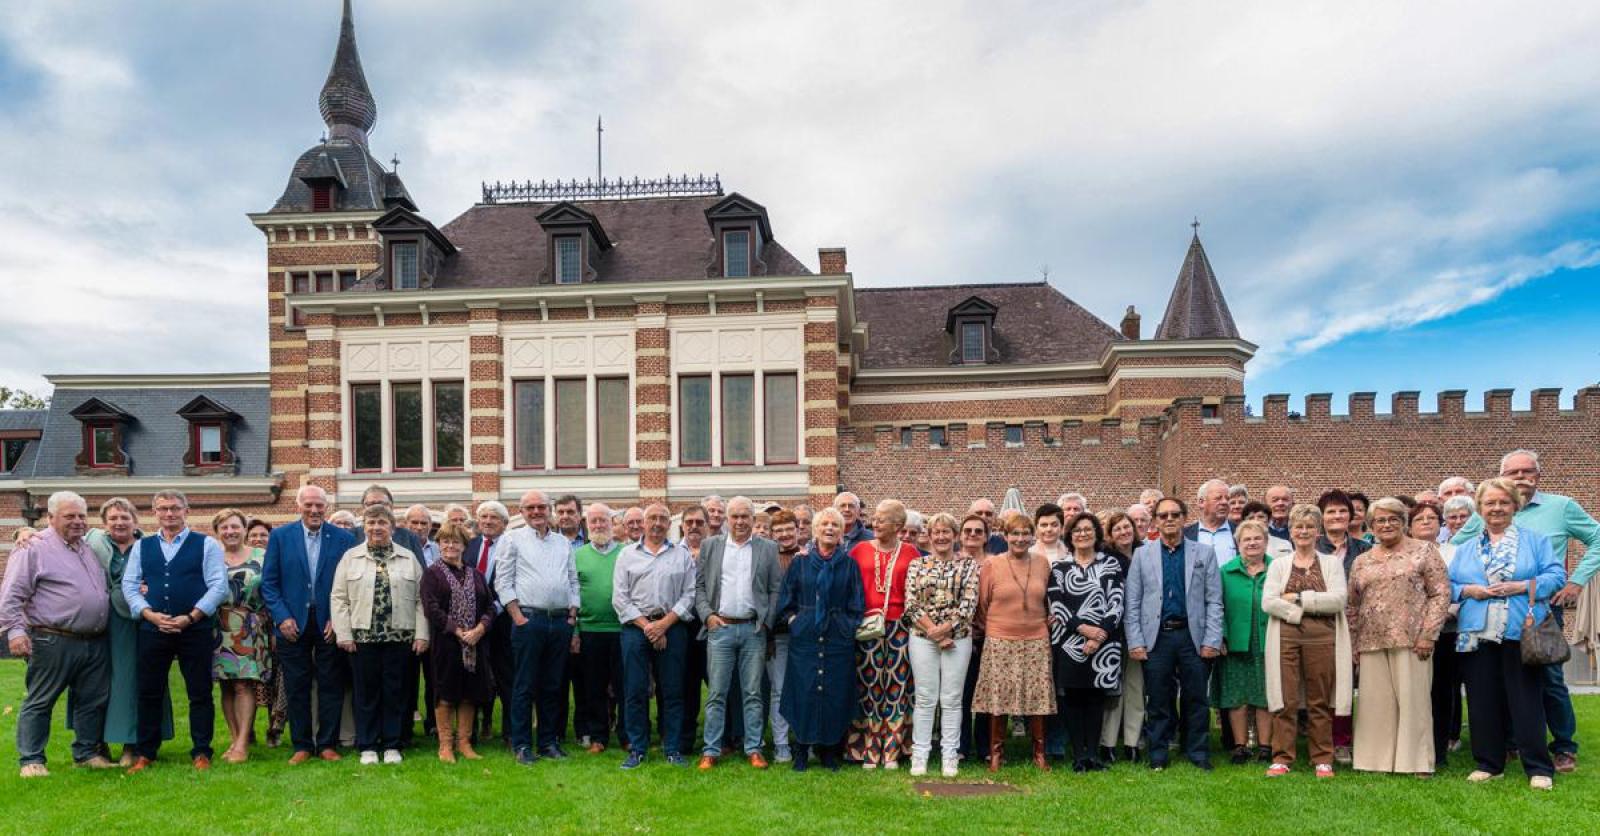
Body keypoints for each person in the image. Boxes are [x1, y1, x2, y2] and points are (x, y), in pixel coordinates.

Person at [1457, 450, 1599, 774]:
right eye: (1513, 472)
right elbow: (1450, 557)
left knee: (1544, 683)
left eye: (1527, 471)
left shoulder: (1560, 509)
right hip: (1481, 624)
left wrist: (1575, 582)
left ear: (1538, 475)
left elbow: (1593, 542)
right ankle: (1501, 751)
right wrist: (1465, 589)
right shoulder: (1475, 531)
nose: (1520, 477)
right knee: (1488, 690)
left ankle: (1561, 748)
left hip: (1535, 614)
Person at [1450, 477, 1565, 790]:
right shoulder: (1465, 547)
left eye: (1503, 502)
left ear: (1516, 505)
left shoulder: (1535, 541)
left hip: (1521, 632)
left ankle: (1538, 767)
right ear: (1480, 509)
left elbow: (1556, 575)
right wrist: (1468, 590)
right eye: (1490, 503)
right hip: (1477, 632)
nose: (1496, 508)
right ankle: (1489, 764)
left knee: (1527, 700)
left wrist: (1523, 586)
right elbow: (1447, 585)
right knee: (1482, 700)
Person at [2, 491, 114, 777]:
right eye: (69, 516)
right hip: (52, 639)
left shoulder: (87, 547)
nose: (77, 521)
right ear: (50, 518)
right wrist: (15, 632)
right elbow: (12, 594)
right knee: (41, 700)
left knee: (92, 700)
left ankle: (87, 753)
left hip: (94, 641)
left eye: (81, 515)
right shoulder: (32, 547)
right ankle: (31, 760)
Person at [121, 490, 227, 773]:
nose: (169, 514)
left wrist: (191, 617)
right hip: (153, 629)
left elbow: (219, 586)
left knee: (200, 692)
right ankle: (146, 752)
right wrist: (148, 614)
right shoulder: (142, 547)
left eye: (175, 508)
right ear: (154, 512)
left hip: (195, 628)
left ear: (186, 511)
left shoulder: (207, 545)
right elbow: (129, 586)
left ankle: (202, 751)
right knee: (149, 691)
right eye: (163, 509)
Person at [1347, 497, 1449, 777]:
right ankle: (1374, 761)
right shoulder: (1361, 560)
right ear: (1371, 526)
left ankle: (1417, 762)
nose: (1386, 524)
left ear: (1403, 522)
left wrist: (1429, 633)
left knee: (1413, 702)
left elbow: (1440, 593)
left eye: (1393, 518)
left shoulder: (1424, 551)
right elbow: (1352, 605)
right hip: (1371, 640)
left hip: (1413, 639)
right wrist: (1354, 644)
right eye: (1380, 520)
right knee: (1374, 706)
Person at [1125, 496, 1223, 772]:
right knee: (1158, 699)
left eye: (1175, 515)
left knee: (1196, 698)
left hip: (1193, 636)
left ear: (1184, 518)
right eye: (1163, 515)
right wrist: (1136, 641)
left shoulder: (1203, 554)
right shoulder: (1142, 555)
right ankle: (1158, 753)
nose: (1169, 520)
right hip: (1156, 637)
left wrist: (1212, 640)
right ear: (1156, 521)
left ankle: (1198, 752)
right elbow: (1132, 602)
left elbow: (1214, 600)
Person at [261, 484, 357, 764]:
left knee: (331, 684)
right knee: (296, 685)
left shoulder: (343, 538)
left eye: (320, 505)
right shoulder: (280, 537)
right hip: (292, 623)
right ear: (298, 506)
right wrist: (282, 617)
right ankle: (302, 745)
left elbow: (351, 584)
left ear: (326, 507)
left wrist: (338, 619)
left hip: (329, 622)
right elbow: (269, 583)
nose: (315, 510)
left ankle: (327, 743)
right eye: (309, 505)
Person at [331, 504, 430, 765]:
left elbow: (422, 600)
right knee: (366, 693)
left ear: (392, 527)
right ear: (364, 527)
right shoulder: (350, 557)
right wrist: (344, 634)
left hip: (400, 638)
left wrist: (422, 634)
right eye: (371, 523)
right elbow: (339, 598)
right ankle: (368, 746)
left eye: (382, 523)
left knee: (395, 693)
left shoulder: (408, 557)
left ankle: (392, 745)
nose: (376, 528)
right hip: (362, 638)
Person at [1262, 503, 1352, 777]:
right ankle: (1282, 756)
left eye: (1309, 527)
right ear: (1290, 532)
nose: (1303, 532)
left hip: (1323, 638)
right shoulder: (1278, 564)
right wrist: (1300, 613)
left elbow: (1338, 600)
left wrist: (1299, 598)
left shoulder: (1331, 563)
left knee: (1319, 699)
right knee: (1285, 697)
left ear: (1318, 532)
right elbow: (1268, 602)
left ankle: (1322, 757)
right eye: (1298, 527)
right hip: (1285, 636)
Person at [83, 498, 172, 765]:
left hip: (138, 621)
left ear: (135, 520)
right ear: (104, 523)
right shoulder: (92, 543)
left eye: (125, 517)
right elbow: (58, 535)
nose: (119, 522)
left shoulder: (150, 546)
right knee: (99, 683)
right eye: (113, 518)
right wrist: (25, 534)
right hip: (100, 623)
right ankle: (95, 744)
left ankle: (133, 744)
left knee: (134, 680)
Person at [694, 496, 781, 769]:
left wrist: (766, 622)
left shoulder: (768, 548)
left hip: (753, 629)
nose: (740, 521)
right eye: (735, 516)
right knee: (717, 693)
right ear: (727, 519)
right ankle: (711, 749)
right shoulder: (710, 546)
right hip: (720, 629)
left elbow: (775, 588)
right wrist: (708, 616)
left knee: (753, 692)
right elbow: (699, 587)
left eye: (745, 516)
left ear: (754, 520)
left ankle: (753, 748)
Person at [779, 507, 865, 772]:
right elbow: (786, 599)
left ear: (842, 532)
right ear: (816, 530)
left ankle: (828, 750)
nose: (830, 529)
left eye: (835, 525)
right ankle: (802, 749)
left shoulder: (848, 564)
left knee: (834, 691)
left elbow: (857, 603)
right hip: (806, 636)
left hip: (837, 637)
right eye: (825, 524)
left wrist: (846, 627)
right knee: (803, 690)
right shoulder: (801, 562)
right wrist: (795, 622)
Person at [498, 489, 579, 765]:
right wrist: (517, 616)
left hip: (560, 621)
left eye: (541, 507)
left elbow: (572, 580)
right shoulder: (512, 540)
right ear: (521, 512)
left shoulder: (562, 543)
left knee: (553, 685)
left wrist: (572, 613)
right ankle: (521, 745)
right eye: (530, 507)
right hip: (529, 621)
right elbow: (503, 581)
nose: (536, 512)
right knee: (524, 685)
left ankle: (548, 742)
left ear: (549, 510)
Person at [614, 504, 697, 770]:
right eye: (653, 518)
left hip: (672, 626)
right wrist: (648, 627)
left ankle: (672, 748)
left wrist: (663, 624)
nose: (658, 523)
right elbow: (620, 597)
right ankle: (638, 748)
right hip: (635, 629)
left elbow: (690, 594)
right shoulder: (627, 554)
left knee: (673, 690)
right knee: (635, 690)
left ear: (669, 524)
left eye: (663, 518)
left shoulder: (681, 555)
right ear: (643, 523)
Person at [972, 511, 1056, 771]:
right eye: (1014, 534)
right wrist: (998, 627)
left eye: (1025, 534)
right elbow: (982, 604)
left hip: (1036, 639)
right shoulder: (992, 565)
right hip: (1000, 639)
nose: (1020, 538)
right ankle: (996, 752)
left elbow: (1047, 600)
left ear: (1032, 537)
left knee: (1037, 696)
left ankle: (1039, 752)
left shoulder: (1043, 563)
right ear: (1005, 536)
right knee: (999, 697)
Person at [903, 512, 980, 777]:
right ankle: (920, 754)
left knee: (952, 698)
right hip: (922, 638)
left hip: (957, 639)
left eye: (946, 532)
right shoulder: (917, 565)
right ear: (930, 535)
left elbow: (969, 604)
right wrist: (934, 631)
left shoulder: (968, 566)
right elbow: (911, 604)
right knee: (925, 698)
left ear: (955, 536)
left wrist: (947, 630)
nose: (941, 536)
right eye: (936, 532)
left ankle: (950, 755)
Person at [844, 498, 920, 769]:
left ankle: (893, 750)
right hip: (866, 627)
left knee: (898, 688)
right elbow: (844, 578)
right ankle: (867, 748)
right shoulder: (860, 550)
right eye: (874, 518)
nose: (875, 523)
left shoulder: (911, 553)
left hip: (900, 626)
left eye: (882, 519)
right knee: (869, 687)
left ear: (898, 525)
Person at [1047, 512, 1124, 772]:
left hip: (1105, 644)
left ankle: (1093, 755)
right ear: (1069, 536)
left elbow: (1116, 601)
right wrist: (1084, 631)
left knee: (1095, 698)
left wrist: (1099, 635)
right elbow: (1057, 603)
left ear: (1096, 533)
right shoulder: (1059, 567)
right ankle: (1079, 755)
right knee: (1073, 698)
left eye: (1088, 529)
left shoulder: (1110, 564)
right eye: (1077, 530)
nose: (1082, 534)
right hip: (1068, 641)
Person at [419, 520, 493, 763]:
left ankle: (464, 743)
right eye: (445, 541)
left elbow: (490, 607)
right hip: (447, 644)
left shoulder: (476, 574)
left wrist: (480, 629)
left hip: (475, 643)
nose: (450, 545)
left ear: (464, 546)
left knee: (469, 694)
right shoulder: (432, 574)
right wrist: (458, 631)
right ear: (439, 544)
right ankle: (445, 745)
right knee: (446, 693)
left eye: (456, 541)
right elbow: (431, 608)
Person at [212, 508, 270, 763]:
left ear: (244, 529)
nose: (230, 532)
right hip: (217, 626)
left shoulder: (262, 556)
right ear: (217, 532)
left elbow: (272, 588)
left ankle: (243, 743)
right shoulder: (211, 556)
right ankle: (235, 739)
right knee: (225, 685)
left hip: (249, 626)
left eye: (235, 526)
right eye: (224, 528)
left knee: (244, 684)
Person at [1214, 520, 1273, 764]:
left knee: (1265, 695)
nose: (1252, 543)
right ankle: (1239, 746)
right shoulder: (1226, 571)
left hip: (1268, 639)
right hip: (1236, 641)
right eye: (1246, 539)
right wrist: (1222, 635)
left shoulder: (1277, 568)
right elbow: (1217, 606)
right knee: (1236, 695)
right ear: (1238, 544)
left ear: (1266, 542)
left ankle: (1265, 746)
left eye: (1257, 538)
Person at [1317, 489, 1370, 764]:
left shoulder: (1365, 550)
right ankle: (1319, 740)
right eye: (1330, 511)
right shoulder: (1311, 548)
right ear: (1321, 517)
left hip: (1353, 625)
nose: (1337, 516)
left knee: (1345, 686)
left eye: (1342, 511)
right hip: (1318, 624)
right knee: (1319, 684)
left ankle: (1343, 742)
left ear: (1351, 516)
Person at [1410, 500, 1463, 766]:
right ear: (1410, 525)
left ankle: (1439, 748)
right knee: (1414, 692)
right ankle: (1412, 746)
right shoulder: (1404, 552)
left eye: (1432, 518)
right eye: (1419, 519)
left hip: (1446, 630)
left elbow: (1463, 583)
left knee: (1440, 690)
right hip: (1409, 632)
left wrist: (1448, 610)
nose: (1426, 522)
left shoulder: (1455, 552)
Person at [572, 503, 625, 754]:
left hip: (624, 630)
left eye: (603, 520)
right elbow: (572, 594)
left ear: (612, 523)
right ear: (587, 525)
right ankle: (598, 737)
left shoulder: (626, 552)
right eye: (593, 521)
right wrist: (575, 632)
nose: (598, 525)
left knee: (626, 686)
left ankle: (628, 735)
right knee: (593, 688)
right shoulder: (578, 555)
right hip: (590, 631)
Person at [1095, 508, 1144, 763]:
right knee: (1113, 688)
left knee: (1136, 687)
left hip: (1140, 631)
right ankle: (1108, 743)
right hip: (1113, 631)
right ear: (1110, 535)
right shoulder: (1106, 559)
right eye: (1117, 529)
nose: (1124, 532)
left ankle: (1133, 742)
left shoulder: (1146, 553)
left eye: (1127, 527)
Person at [467, 501, 515, 744]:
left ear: (504, 523)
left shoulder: (513, 545)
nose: (487, 521)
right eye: (483, 516)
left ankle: (510, 733)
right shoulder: (471, 545)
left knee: (507, 678)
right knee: (472, 676)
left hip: (504, 621)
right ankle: (470, 733)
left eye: (493, 517)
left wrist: (494, 610)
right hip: (471, 624)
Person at [956, 513, 995, 761]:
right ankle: (961, 746)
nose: (972, 535)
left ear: (986, 536)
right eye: (967, 530)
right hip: (960, 635)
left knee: (986, 695)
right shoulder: (952, 562)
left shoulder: (995, 564)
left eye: (978, 531)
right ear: (960, 535)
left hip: (990, 634)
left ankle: (984, 747)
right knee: (961, 693)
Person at [765, 511, 804, 762]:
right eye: (778, 531)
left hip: (803, 635)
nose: (784, 535)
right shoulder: (768, 558)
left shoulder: (808, 557)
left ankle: (804, 739)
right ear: (771, 534)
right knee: (778, 690)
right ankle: (781, 744)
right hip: (776, 636)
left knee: (803, 689)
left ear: (798, 529)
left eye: (789, 529)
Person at [672, 503, 710, 755]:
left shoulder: (717, 551)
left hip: (711, 626)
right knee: (685, 686)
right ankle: (684, 739)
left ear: (707, 526)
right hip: (682, 626)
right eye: (690, 523)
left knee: (718, 685)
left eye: (699, 522)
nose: (694, 527)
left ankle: (723, 739)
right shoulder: (673, 553)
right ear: (682, 526)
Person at [402, 505, 439, 736]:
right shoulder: (400, 550)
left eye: (423, 523)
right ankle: (406, 723)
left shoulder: (438, 550)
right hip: (408, 619)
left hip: (435, 621)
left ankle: (434, 724)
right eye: (414, 523)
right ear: (406, 526)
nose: (418, 527)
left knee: (434, 675)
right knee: (408, 675)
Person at [1186, 478, 1237, 564]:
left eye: (1227, 498)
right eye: (1218, 498)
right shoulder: (1185, 535)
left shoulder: (1239, 532)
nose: (1225, 502)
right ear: (1201, 502)